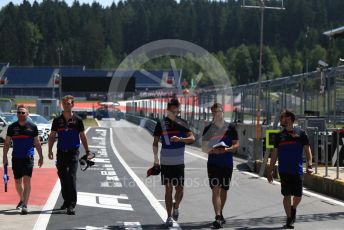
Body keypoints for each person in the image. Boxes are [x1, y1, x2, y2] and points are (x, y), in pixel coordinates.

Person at [152, 98, 195, 227]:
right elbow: (155, 142)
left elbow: (192, 138)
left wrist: (181, 139)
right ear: (168, 109)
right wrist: (155, 159)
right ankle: (169, 216)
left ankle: (176, 206)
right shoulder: (161, 123)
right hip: (165, 162)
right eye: (173, 110)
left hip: (179, 162)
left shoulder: (183, 122)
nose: (176, 112)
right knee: (168, 189)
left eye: (177, 110)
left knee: (180, 190)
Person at [267, 109, 313, 229]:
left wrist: (309, 164)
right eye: (282, 118)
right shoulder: (278, 136)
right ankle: (289, 219)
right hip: (284, 170)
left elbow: (308, 149)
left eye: (286, 117)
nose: (284, 119)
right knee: (286, 194)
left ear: (292, 119)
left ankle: (293, 208)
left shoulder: (301, 133)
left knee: (298, 195)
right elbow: (274, 154)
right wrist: (270, 170)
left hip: (297, 170)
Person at [48, 95, 90, 215]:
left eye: (69, 103)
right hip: (61, 152)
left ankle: (71, 204)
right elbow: (52, 136)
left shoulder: (78, 120)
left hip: (73, 152)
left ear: (73, 105)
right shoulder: (57, 120)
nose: (66, 105)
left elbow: (82, 136)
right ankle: (66, 201)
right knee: (62, 177)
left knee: (71, 177)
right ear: (62, 105)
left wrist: (87, 151)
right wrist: (50, 150)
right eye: (64, 103)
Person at [202, 103, 239, 229]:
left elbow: (236, 145)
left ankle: (220, 212)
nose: (216, 114)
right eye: (214, 112)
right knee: (215, 189)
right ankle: (217, 216)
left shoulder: (231, 127)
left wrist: (227, 149)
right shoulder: (208, 128)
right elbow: (204, 147)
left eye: (218, 111)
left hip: (227, 164)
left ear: (223, 112)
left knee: (224, 189)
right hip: (213, 164)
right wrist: (213, 151)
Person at [2, 105, 44, 215]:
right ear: (17, 114)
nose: (21, 114)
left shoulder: (32, 127)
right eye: (19, 112)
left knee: (26, 180)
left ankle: (25, 204)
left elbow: (37, 143)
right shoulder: (12, 127)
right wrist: (4, 156)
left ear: (27, 114)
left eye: (23, 112)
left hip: (28, 157)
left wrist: (41, 156)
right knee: (17, 182)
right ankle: (21, 199)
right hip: (16, 157)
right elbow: (7, 143)